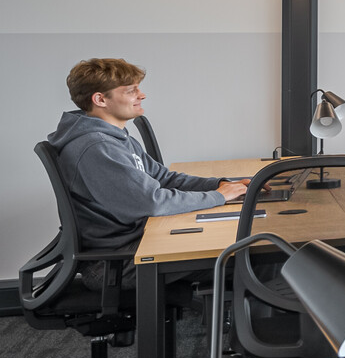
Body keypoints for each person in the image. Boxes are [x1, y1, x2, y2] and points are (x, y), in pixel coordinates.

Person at [48, 58, 247, 250]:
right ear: (100, 99)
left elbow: (163, 178)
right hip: (122, 255)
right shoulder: (98, 146)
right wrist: (217, 197)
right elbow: (152, 202)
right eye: (131, 91)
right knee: (245, 249)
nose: (142, 95)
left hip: (137, 238)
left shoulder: (115, 137)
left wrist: (220, 185)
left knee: (240, 239)